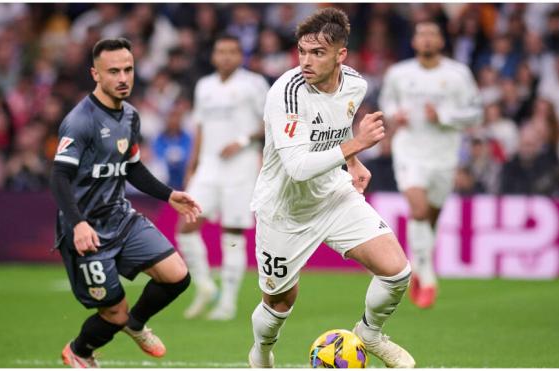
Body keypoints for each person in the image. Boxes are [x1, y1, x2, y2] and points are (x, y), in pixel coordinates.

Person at [248, 8, 415, 368]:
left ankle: (370, 333)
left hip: (334, 196)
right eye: (302, 51)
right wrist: (356, 147)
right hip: (284, 210)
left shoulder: (355, 84)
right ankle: (261, 353)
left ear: (341, 55)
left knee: (397, 271)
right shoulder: (286, 93)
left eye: (317, 53)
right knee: (278, 304)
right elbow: (297, 167)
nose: (306, 61)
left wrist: (352, 165)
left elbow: (335, 128)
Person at [49, 38, 202, 368]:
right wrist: (78, 224)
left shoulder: (130, 116)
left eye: (128, 69)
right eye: (113, 71)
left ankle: (136, 324)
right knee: (113, 313)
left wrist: (169, 194)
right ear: (96, 74)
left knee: (176, 275)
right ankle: (79, 350)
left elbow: (131, 166)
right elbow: (58, 177)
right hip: (86, 229)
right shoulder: (80, 121)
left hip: (120, 217)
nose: (123, 78)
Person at [378, 21, 482, 308]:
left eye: (432, 34)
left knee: (430, 217)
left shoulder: (458, 75)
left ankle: (420, 259)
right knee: (419, 209)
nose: (426, 39)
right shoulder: (399, 73)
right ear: (413, 42)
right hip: (409, 151)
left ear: (441, 41)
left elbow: (476, 113)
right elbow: (387, 102)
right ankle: (425, 274)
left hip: (444, 155)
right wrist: (393, 115)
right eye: (421, 34)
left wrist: (445, 116)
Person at [177, 34, 269, 321]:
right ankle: (204, 285)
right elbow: (200, 128)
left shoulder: (254, 84)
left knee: (232, 233)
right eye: (221, 51)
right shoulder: (204, 86)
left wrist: (241, 141)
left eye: (232, 51)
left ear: (240, 55)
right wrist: (191, 168)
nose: (226, 56)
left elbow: (271, 122)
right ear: (214, 56)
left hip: (242, 166)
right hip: (208, 166)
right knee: (186, 227)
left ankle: (227, 301)